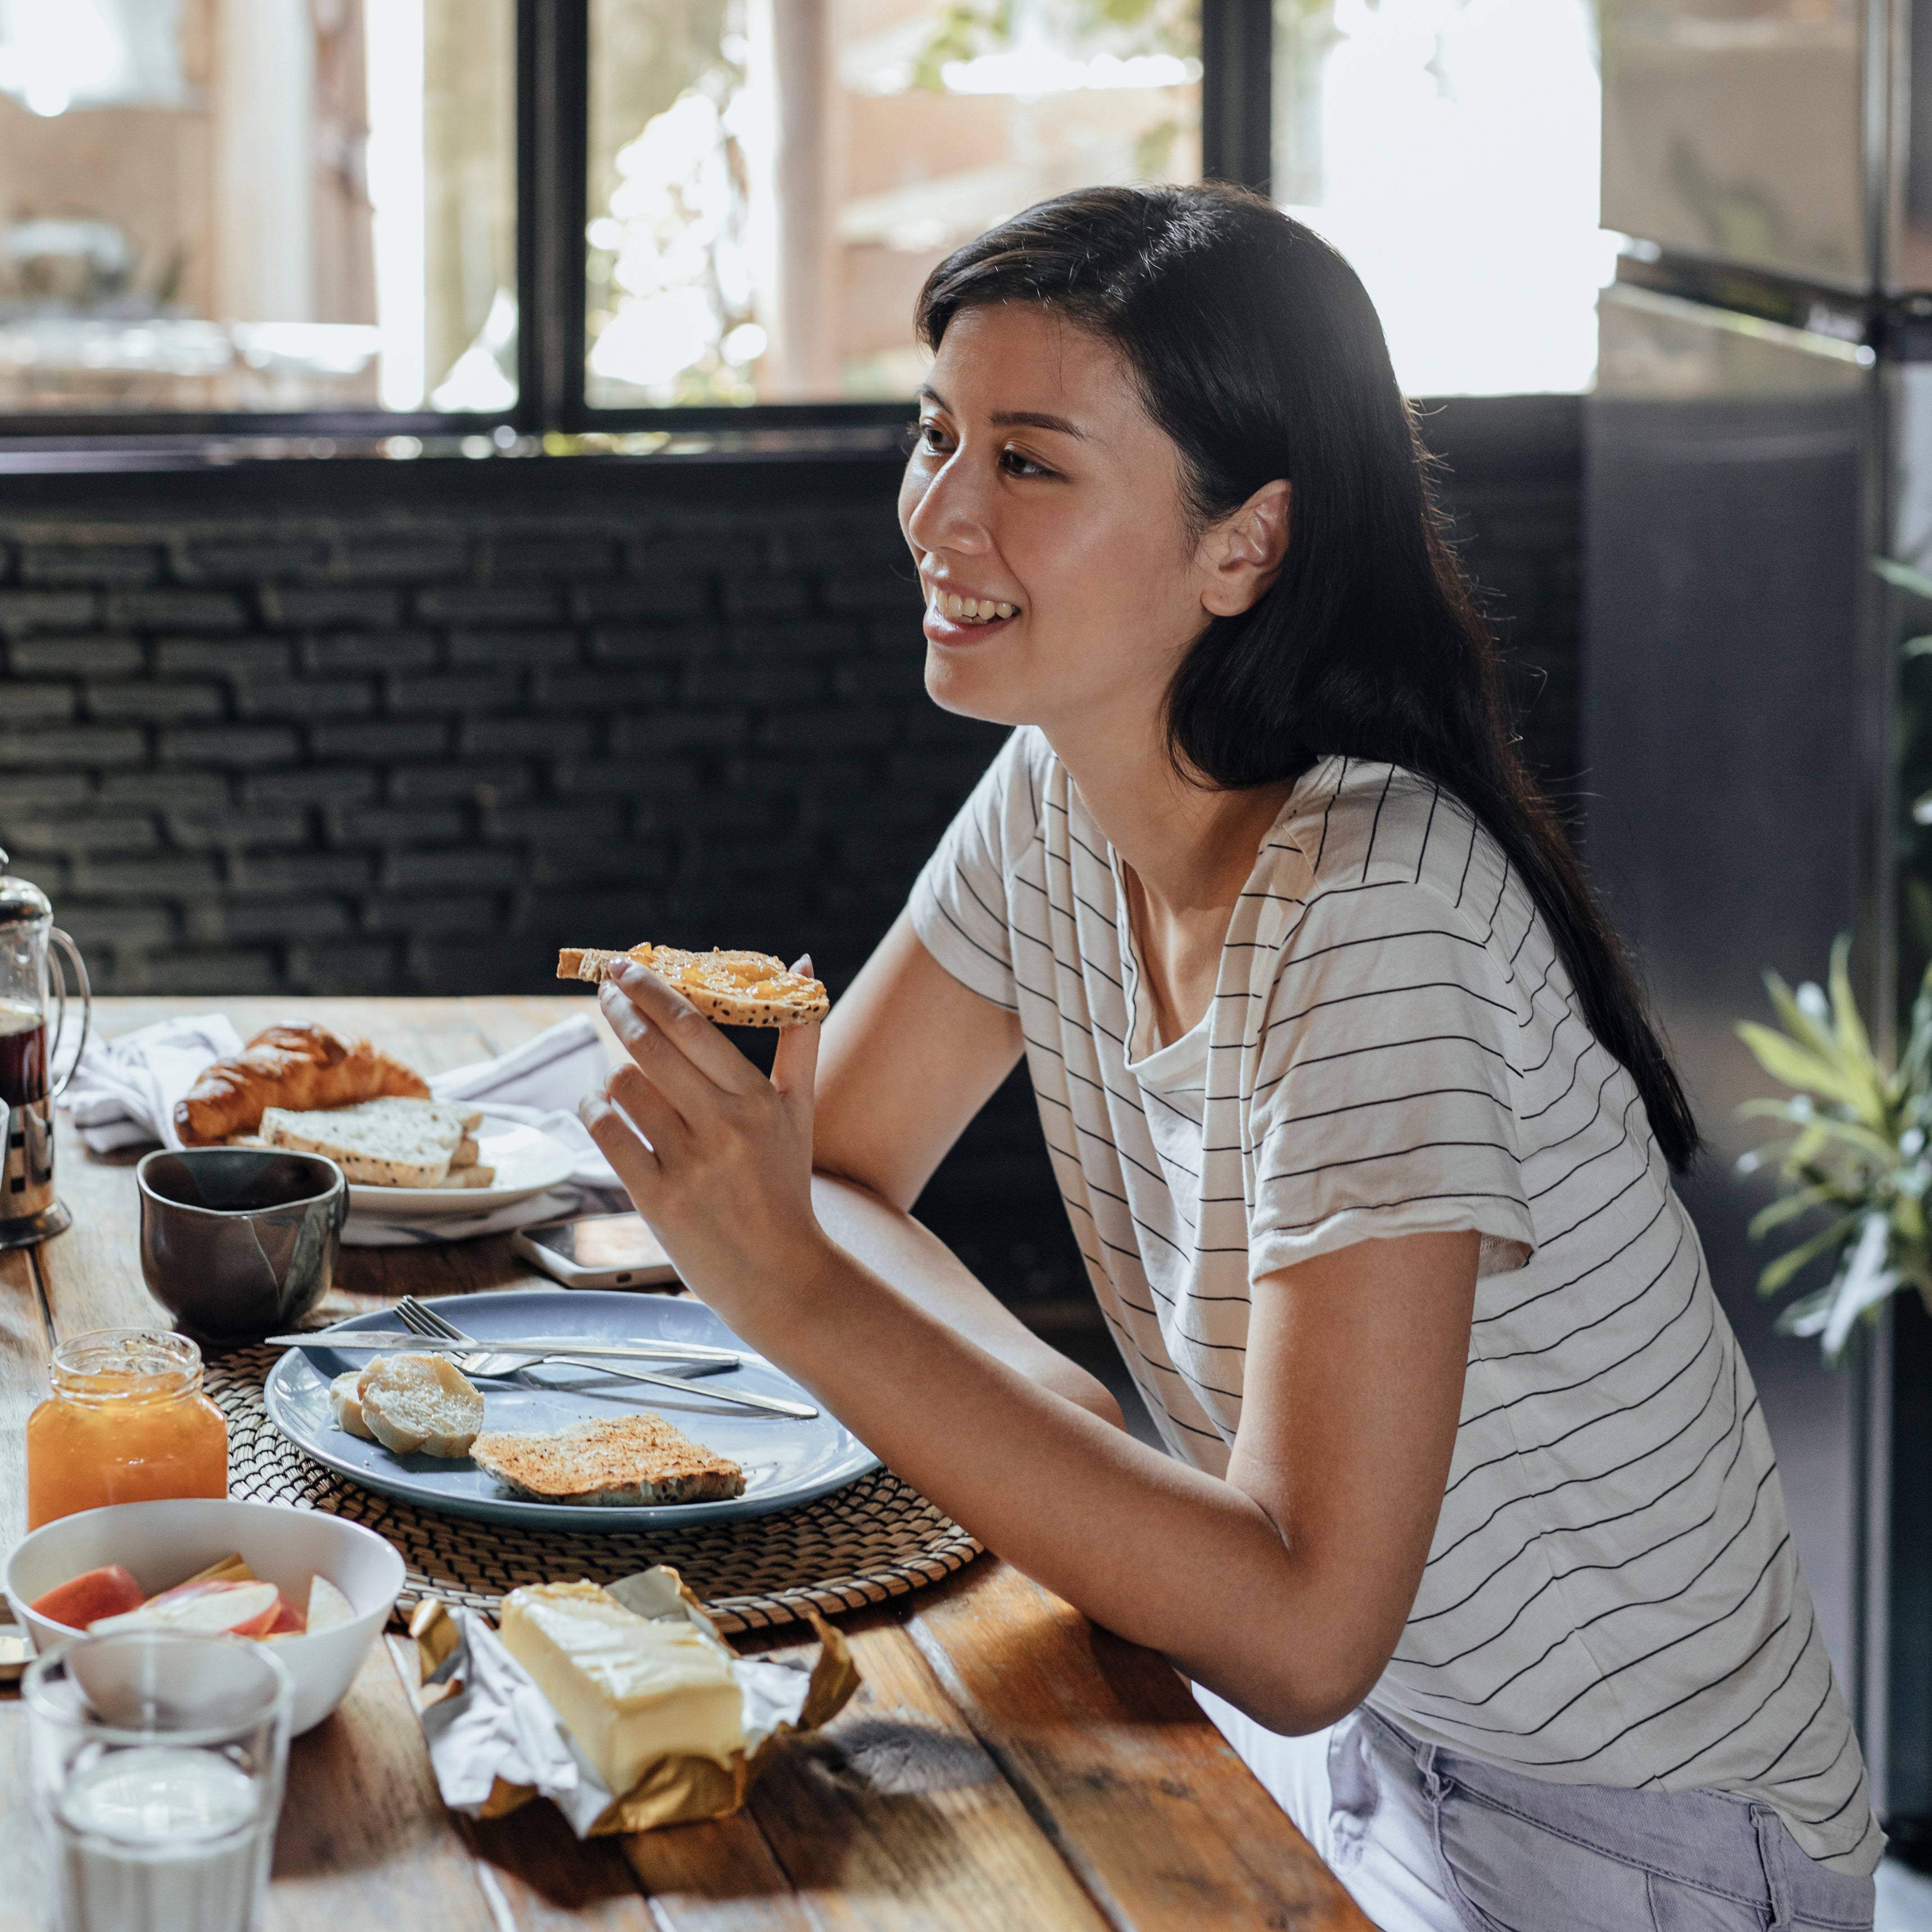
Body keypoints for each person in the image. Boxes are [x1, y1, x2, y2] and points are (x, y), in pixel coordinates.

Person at [581, 183, 1881, 1930]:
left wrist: (801, 1296)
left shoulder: (1373, 911)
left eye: (1028, 463)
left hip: (1631, 1846)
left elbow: (1293, 1625)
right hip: (1361, 1758)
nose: (937, 514)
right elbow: (838, 1157)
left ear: (1241, 545)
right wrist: (1040, 1401)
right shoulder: (1058, 789)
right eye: (932, 433)